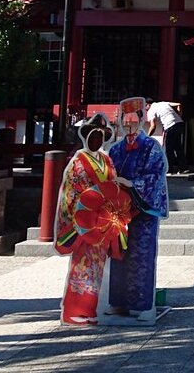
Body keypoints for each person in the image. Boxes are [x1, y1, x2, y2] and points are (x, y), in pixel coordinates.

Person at [54, 113, 133, 325]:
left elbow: (111, 185)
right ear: (86, 136)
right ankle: (74, 311)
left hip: (103, 221)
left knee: (96, 268)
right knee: (82, 266)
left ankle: (89, 310)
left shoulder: (106, 159)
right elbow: (72, 192)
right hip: (84, 221)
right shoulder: (77, 162)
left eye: (100, 136)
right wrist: (82, 213)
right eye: (93, 135)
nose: (97, 140)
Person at [107, 97, 169, 323]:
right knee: (118, 255)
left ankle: (141, 304)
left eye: (134, 119)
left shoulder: (151, 146)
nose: (130, 123)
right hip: (118, 210)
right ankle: (118, 301)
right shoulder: (115, 149)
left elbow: (156, 174)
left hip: (142, 210)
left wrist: (133, 185)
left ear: (143, 120)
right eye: (126, 120)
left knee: (141, 256)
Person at [146, 98, 187, 174]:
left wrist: (147, 137)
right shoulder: (163, 103)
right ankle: (183, 168)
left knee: (169, 149)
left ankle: (169, 169)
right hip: (179, 124)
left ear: (148, 104)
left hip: (170, 126)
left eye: (145, 107)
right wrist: (179, 115)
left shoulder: (151, 110)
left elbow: (153, 126)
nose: (145, 109)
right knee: (178, 147)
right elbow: (179, 104)